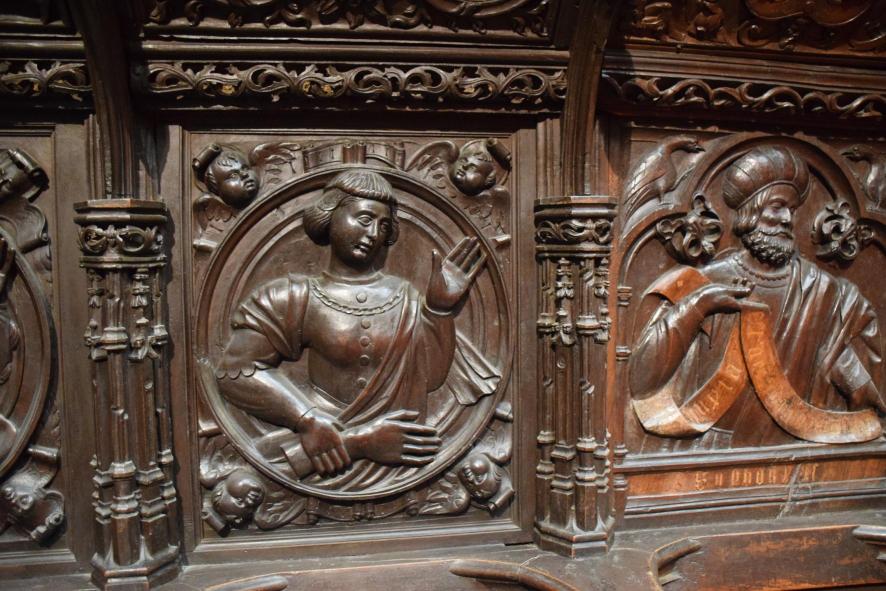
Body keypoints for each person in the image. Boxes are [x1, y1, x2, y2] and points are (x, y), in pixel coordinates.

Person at [213, 169, 500, 492]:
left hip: (405, 456)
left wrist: (438, 310)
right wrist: (306, 418)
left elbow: (431, 378)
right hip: (321, 453)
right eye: (364, 219)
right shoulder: (290, 297)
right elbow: (235, 373)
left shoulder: (404, 297)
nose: (374, 234)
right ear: (329, 215)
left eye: (384, 226)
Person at [630, 146, 886, 450]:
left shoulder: (827, 293)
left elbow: (851, 369)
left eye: (792, 210)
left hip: (804, 449)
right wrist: (697, 307)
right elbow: (642, 382)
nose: (787, 219)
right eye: (777, 206)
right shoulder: (704, 282)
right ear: (750, 211)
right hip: (712, 452)